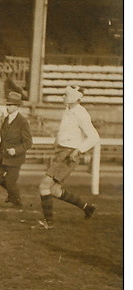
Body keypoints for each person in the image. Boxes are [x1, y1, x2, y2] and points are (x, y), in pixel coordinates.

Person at [36, 85, 99, 229]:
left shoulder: (81, 113)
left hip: (68, 154)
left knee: (44, 186)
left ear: (76, 98)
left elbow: (94, 137)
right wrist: (58, 140)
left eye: (66, 95)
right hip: (62, 152)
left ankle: (48, 222)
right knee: (55, 190)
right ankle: (88, 208)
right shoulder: (68, 110)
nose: (63, 97)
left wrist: (78, 151)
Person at [0, 91, 33, 207]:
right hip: (3, 157)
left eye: (10, 105)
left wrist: (15, 150)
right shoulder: (5, 119)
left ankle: (17, 202)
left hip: (15, 159)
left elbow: (28, 143)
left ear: (17, 106)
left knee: (10, 182)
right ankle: (12, 193)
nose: (8, 107)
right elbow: (3, 140)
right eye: (7, 104)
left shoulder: (23, 122)